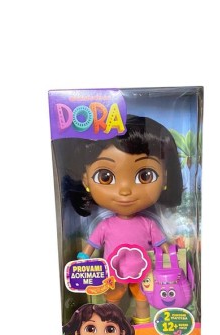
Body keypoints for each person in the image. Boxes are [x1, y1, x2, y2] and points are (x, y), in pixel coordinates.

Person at [59, 115, 183, 324]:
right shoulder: (105, 225)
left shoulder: (148, 224)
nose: (125, 190)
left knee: (143, 300)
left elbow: (162, 244)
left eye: (145, 175)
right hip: (112, 273)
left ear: (165, 177)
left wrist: (172, 250)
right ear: (86, 180)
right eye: (106, 177)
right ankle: (113, 326)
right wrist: (83, 259)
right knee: (112, 301)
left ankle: (142, 328)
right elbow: (91, 245)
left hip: (144, 271)